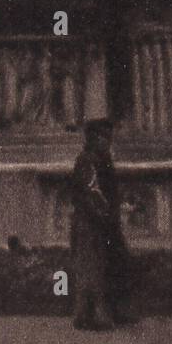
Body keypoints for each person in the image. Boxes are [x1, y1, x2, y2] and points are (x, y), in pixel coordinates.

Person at [70, 119, 134, 329]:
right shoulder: (87, 160)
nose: (107, 142)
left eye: (109, 138)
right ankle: (93, 315)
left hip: (104, 220)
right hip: (90, 221)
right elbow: (92, 192)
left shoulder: (103, 159)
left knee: (113, 264)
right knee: (92, 268)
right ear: (92, 139)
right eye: (102, 137)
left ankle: (112, 310)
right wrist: (105, 214)